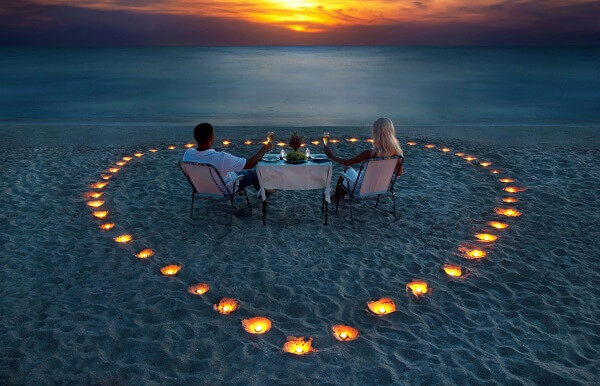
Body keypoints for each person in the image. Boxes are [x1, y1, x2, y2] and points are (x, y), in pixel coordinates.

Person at [323, 117, 404, 202]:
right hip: (383, 187)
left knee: (347, 169)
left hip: (362, 189)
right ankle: (338, 195)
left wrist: (331, 156)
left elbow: (346, 162)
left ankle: (337, 197)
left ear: (376, 133)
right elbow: (398, 174)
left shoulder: (371, 153)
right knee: (358, 173)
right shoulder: (398, 154)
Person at [182, 122, 273, 193]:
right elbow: (249, 164)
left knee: (232, 170)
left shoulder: (188, 153)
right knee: (257, 171)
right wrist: (264, 149)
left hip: (202, 188)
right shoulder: (221, 158)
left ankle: (260, 188)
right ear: (211, 137)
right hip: (226, 188)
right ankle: (265, 190)